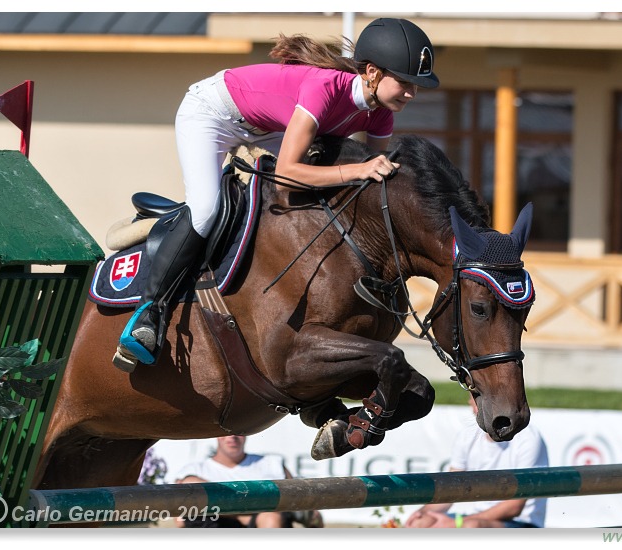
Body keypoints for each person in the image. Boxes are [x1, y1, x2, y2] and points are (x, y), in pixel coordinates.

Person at [113, 18, 440, 370]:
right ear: (373, 72)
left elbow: (369, 186)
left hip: (269, 128)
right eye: (405, 82)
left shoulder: (380, 116)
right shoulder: (325, 88)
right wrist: (359, 169)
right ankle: (149, 312)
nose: (411, 93)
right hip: (213, 113)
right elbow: (287, 176)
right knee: (206, 209)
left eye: (416, 86)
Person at [404, 397, 549, 528]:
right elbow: (452, 489)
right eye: (473, 395)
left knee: (472, 527)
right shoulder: (467, 436)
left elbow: (515, 507)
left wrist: (456, 524)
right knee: (421, 523)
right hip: (475, 518)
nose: (470, 400)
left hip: (523, 523)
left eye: (478, 394)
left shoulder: (528, 437)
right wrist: (421, 513)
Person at [175, 434, 323, 528]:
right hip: (213, 525)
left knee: (271, 519)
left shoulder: (272, 462)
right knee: (192, 482)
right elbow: (180, 520)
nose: (232, 436)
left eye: (239, 431)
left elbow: (305, 509)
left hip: (265, 521)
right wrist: (244, 515)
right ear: (217, 435)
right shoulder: (194, 470)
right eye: (226, 431)